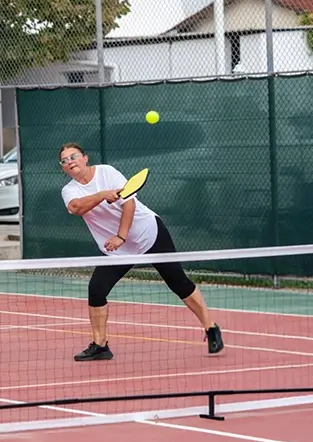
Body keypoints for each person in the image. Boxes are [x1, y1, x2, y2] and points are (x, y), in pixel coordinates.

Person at [58, 143, 224, 361]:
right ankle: (100, 345)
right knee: (97, 289)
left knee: (178, 283)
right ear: (63, 168)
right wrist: (102, 195)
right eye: (64, 161)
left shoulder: (107, 172)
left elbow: (129, 204)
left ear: (85, 158)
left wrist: (121, 236)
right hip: (117, 250)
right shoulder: (69, 190)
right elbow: (77, 208)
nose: (70, 161)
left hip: (149, 232)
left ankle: (211, 328)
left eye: (74, 156)